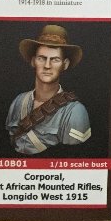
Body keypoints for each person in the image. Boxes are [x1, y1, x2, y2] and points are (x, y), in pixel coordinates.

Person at [6, 24, 91, 155]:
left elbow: (73, 156)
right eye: (41, 58)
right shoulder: (18, 101)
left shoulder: (74, 112)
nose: (47, 66)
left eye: (55, 60)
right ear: (33, 61)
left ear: (65, 64)